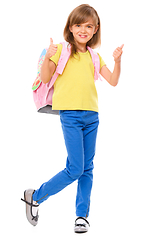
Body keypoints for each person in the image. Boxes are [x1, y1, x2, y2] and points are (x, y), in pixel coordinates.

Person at [21, 4, 124, 233]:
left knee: (87, 168)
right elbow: (46, 77)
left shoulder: (95, 56)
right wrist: (48, 57)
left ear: (96, 29)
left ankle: (81, 216)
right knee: (76, 168)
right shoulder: (61, 50)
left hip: (92, 115)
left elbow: (113, 81)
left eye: (89, 26)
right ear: (70, 27)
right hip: (70, 115)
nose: (83, 30)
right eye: (78, 25)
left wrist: (117, 61)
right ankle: (35, 196)